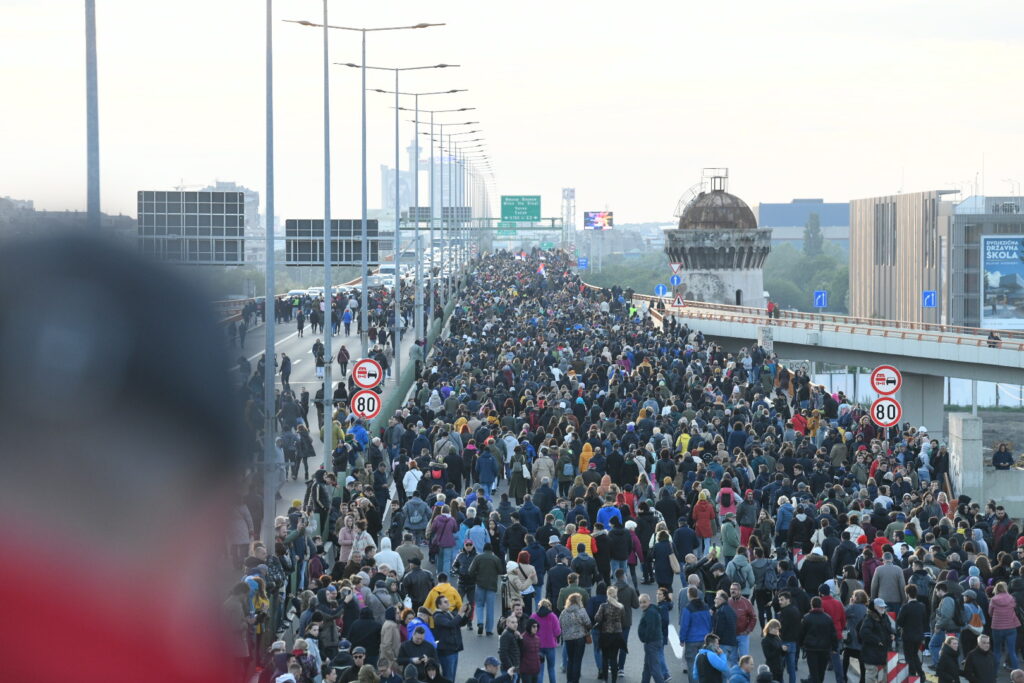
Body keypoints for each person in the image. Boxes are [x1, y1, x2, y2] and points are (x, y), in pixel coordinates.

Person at [798, 596, 838, 683]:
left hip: (811, 648)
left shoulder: (806, 618)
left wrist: (801, 644)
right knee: (821, 670)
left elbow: (801, 633)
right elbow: (833, 634)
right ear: (821, 605)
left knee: (813, 671)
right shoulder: (828, 618)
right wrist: (835, 648)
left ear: (811, 605)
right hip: (824, 648)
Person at [469, 543, 505, 636]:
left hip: (480, 584)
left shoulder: (478, 557)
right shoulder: (496, 559)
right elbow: (501, 571)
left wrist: (476, 576)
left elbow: (470, 571)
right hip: (492, 586)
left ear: (483, 549)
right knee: (490, 608)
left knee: (480, 605)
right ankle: (489, 630)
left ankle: (480, 622)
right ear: (491, 550)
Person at [594, 585, 628, 683]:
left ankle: (606, 679)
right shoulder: (620, 606)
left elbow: (597, 618)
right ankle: (614, 680)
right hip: (617, 635)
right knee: (614, 658)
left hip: (606, 634)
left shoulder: (603, 606)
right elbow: (623, 620)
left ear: (607, 595)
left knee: (605, 658)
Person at [680, 585, 713, 683]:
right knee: (703, 665)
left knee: (692, 665)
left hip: (691, 640)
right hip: (704, 639)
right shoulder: (705, 606)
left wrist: (682, 639)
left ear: (689, 595)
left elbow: (684, 625)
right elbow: (710, 621)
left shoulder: (688, 608)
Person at [896, 584, 927, 682]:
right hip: (919, 635)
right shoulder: (922, 606)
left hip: (908, 636)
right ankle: (921, 675)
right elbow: (924, 620)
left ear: (907, 594)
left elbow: (899, 622)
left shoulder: (905, 607)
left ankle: (912, 675)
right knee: (915, 655)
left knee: (909, 656)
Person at [559, 593, 593, 683]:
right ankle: (575, 680)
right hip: (579, 638)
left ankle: (569, 680)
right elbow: (588, 623)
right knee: (577, 661)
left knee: (570, 660)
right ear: (578, 601)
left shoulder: (564, 612)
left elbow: (560, 624)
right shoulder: (581, 611)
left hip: (568, 639)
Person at [859, 598, 894, 683]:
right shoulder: (869, 618)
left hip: (882, 650)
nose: (883, 609)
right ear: (874, 607)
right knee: (871, 672)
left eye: (883, 607)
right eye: (880, 607)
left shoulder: (884, 616)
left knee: (884, 672)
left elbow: (889, 628)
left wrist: (893, 634)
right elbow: (864, 632)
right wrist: (877, 640)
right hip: (871, 651)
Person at [990, 580, 1021, 671]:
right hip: (1011, 627)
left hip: (997, 627)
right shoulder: (1011, 598)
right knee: (1012, 651)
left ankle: (995, 673)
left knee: (997, 650)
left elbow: (990, 613)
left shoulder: (993, 599)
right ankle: (1017, 673)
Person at [530, 599, 561, 683]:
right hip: (550, 646)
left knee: (540, 670)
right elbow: (557, 631)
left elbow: (529, 630)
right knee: (551, 668)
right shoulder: (553, 616)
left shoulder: (534, 616)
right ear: (549, 606)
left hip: (538, 646)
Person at [638, 593, 667, 683]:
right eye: (640, 602)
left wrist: (645, 639)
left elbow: (650, 629)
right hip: (653, 642)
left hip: (651, 643)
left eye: (644, 602)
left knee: (654, 668)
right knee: (647, 667)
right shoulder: (650, 610)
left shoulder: (650, 612)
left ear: (649, 602)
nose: (642, 604)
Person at [518, 618, 543, 683]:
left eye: (537, 626)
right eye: (533, 626)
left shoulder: (537, 639)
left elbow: (536, 653)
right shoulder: (522, 638)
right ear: (529, 627)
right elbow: (519, 655)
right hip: (526, 671)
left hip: (535, 670)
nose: (536, 628)